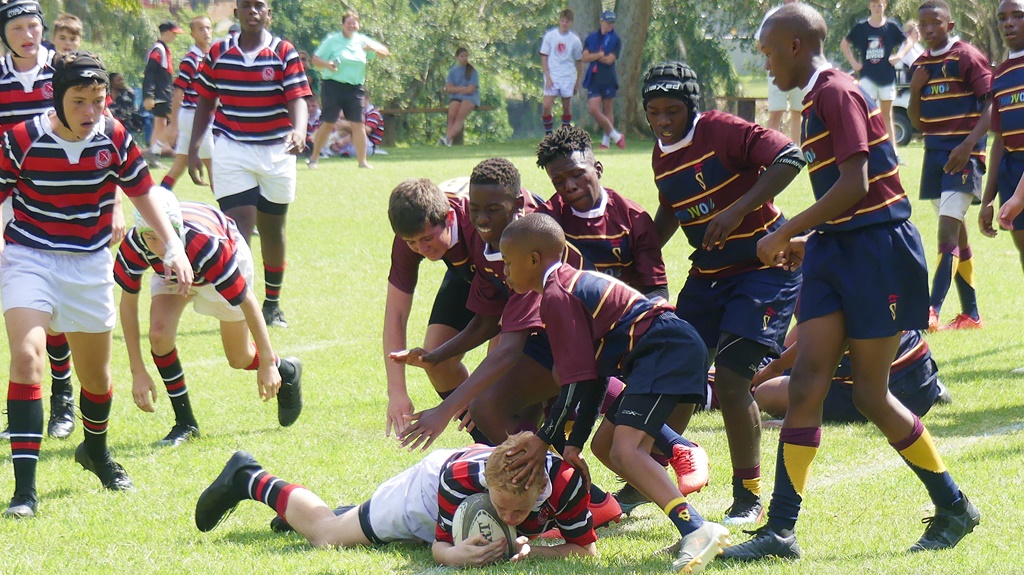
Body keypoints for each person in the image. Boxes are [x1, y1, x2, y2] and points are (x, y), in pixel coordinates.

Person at [723, 3, 980, 560]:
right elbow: (843, 204)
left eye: (767, 51)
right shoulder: (815, 98)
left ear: (795, 45)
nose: (764, 62)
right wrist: (809, 241)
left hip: (879, 252)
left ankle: (954, 505)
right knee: (807, 382)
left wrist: (787, 228)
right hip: (838, 249)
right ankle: (781, 531)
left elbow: (857, 185)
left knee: (868, 392)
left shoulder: (836, 91)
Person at [1, 51, 194, 518]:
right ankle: (24, 492)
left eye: (99, 100)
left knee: (97, 379)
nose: (91, 112)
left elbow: (143, 193)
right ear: (56, 97)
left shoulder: (115, 136)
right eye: (80, 101)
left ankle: (95, 452)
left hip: (88, 265)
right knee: (27, 358)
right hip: (30, 257)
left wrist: (173, 246)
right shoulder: (21, 139)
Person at [498, 213, 729, 574]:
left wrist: (546, 437)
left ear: (533, 258)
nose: (505, 272)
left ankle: (696, 528)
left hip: (664, 348)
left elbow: (575, 380)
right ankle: (692, 528)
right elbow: (591, 378)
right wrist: (572, 445)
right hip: (664, 349)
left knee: (626, 448)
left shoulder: (557, 294)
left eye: (508, 263)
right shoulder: (563, 286)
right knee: (605, 447)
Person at [642, 61, 804, 525]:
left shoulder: (720, 129)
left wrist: (737, 211)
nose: (664, 120)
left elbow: (791, 156)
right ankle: (647, 473)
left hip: (763, 268)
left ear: (692, 107)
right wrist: (640, 255)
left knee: (732, 380)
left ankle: (748, 495)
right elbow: (672, 208)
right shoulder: (660, 152)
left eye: (673, 110)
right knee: (676, 373)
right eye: (654, 111)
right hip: (709, 272)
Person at [193, 433, 598, 567]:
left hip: (450, 488)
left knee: (360, 529)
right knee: (328, 535)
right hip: (423, 492)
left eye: (520, 511)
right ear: (485, 486)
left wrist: (532, 553)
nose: (509, 518)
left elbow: (586, 551)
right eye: (501, 507)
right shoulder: (459, 479)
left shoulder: (565, 483)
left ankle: (348, 516)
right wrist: (456, 555)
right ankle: (249, 477)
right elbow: (440, 547)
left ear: (541, 489)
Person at [115, 189, 303, 446]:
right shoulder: (136, 243)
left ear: (176, 229)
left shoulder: (206, 246)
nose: (158, 247)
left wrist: (268, 363)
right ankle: (186, 423)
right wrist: (137, 369)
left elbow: (248, 302)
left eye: (163, 236)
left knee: (239, 357)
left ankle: (286, 369)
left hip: (217, 260)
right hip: (171, 271)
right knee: (159, 335)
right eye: (150, 237)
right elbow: (127, 304)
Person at [0, 1, 99, 443]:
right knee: (24, 305)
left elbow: (101, 129)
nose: (28, 35)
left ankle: (62, 395)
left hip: (61, 198)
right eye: (18, 27)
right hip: (9, 192)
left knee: (54, 308)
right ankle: (27, 401)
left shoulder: (60, 71)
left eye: (34, 26)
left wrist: (111, 205)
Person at [188, 0, 312, 330]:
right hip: (232, 148)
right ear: (237, 12)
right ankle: (243, 301)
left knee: (273, 230)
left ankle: (272, 303)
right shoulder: (218, 52)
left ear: (269, 14)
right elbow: (205, 100)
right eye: (246, 5)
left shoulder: (284, 51)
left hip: (277, 150)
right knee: (237, 228)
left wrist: (299, 131)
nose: (252, 11)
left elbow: (297, 98)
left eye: (259, 6)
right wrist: (193, 147)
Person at [908, 0, 992, 332]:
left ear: (950, 26)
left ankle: (931, 310)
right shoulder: (919, 66)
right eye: (923, 24)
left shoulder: (966, 57)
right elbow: (916, 122)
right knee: (956, 232)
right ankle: (971, 314)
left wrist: (969, 145)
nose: (929, 29)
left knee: (945, 231)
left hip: (964, 156)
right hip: (934, 156)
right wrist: (915, 90)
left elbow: (991, 106)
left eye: (936, 23)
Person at [383, 178, 483, 441]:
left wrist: (486, 390)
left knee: (505, 384)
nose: (422, 249)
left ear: (450, 218)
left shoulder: (482, 223)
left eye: (428, 238)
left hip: (519, 280)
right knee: (436, 362)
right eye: (412, 242)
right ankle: (489, 443)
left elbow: (506, 313)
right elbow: (396, 314)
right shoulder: (411, 232)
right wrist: (397, 392)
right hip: (469, 273)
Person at [752, 328, 949, 422]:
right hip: (922, 378)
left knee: (765, 393)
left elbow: (823, 337)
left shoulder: (834, 272)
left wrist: (773, 369)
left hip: (878, 393)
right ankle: (935, 388)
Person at [980, 0, 1024, 361]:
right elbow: (999, 138)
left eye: (1018, 16)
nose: (1008, 24)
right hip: (1012, 167)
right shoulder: (1002, 72)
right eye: (1003, 18)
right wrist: (987, 198)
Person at [308, 9, 390, 169]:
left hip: (355, 88)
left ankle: (363, 161)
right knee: (329, 123)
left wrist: (373, 50)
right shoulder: (333, 40)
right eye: (349, 22)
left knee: (358, 124)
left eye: (355, 22)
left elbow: (385, 53)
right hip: (333, 86)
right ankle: (314, 158)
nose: (352, 25)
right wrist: (328, 65)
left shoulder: (362, 40)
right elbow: (315, 60)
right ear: (343, 24)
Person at [840, 0, 906, 147]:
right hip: (867, 77)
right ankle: (866, 147)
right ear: (869, 6)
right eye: (874, 5)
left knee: (887, 115)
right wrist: (854, 63)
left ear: (885, 6)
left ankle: (892, 151)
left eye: (880, 5)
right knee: (866, 113)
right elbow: (844, 44)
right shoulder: (862, 27)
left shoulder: (891, 27)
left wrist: (899, 55)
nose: (877, 8)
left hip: (887, 77)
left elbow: (908, 42)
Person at [160, 15, 213, 192]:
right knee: (213, 165)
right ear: (192, 34)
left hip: (196, 116)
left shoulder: (211, 56)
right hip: (193, 115)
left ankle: (159, 200)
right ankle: (229, 212)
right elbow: (178, 91)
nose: (206, 32)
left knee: (180, 164)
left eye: (208, 28)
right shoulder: (191, 59)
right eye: (201, 29)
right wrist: (174, 124)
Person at [754, 0, 802, 138]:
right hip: (777, 70)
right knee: (776, 111)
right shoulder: (773, 14)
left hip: (798, 70)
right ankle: (772, 152)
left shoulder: (804, 15)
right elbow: (760, 44)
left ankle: (796, 153)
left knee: (797, 111)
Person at [581, 10, 624, 150]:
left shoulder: (615, 40)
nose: (610, 25)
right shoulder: (592, 38)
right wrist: (599, 54)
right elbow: (584, 57)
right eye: (608, 22)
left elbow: (609, 60)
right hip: (594, 77)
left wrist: (595, 55)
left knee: (607, 109)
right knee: (593, 108)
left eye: (612, 22)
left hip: (608, 78)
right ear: (601, 21)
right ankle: (616, 136)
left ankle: (606, 142)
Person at [143, 21, 184, 158]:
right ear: (166, 33)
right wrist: (148, 96)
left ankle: (154, 153)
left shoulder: (163, 49)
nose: (175, 37)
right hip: (161, 94)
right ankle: (158, 150)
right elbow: (150, 73)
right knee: (177, 121)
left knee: (161, 123)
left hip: (163, 93)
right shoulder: (158, 50)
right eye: (174, 33)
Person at [539, 8, 582, 135]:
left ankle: (565, 134)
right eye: (562, 21)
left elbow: (579, 62)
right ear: (559, 21)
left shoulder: (575, 40)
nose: (564, 24)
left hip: (567, 75)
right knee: (546, 106)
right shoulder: (550, 36)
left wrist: (577, 82)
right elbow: (544, 57)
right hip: (553, 74)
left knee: (566, 107)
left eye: (567, 21)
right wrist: (548, 76)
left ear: (571, 23)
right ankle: (549, 134)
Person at [441, 47, 479, 147]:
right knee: (451, 116)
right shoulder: (453, 72)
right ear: (457, 57)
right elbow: (449, 89)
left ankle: (447, 139)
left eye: (466, 56)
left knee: (459, 117)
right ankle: (448, 142)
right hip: (457, 97)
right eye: (462, 56)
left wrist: (457, 89)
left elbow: (471, 89)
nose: (464, 58)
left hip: (470, 98)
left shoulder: (473, 72)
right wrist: (463, 88)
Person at [327, 93, 383, 158]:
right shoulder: (356, 112)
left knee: (353, 128)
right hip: (350, 142)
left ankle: (344, 150)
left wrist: (345, 126)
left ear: (367, 99)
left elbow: (367, 130)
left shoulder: (373, 113)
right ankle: (334, 146)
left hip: (367, 145)